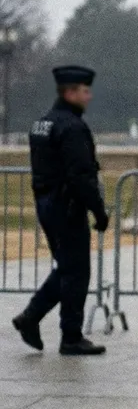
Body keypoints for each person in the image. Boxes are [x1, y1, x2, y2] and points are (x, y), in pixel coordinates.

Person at [12, 66, 108, 356]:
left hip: (47, 202)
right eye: (84, 91)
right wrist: (99, 212)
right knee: (76, 272)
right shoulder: (72, 127)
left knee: (67, 267)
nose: (89, 96)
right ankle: (70, 336)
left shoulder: (42, 123)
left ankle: (31, 317)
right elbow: (81, 175)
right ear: (70, 92)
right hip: (67, 206)